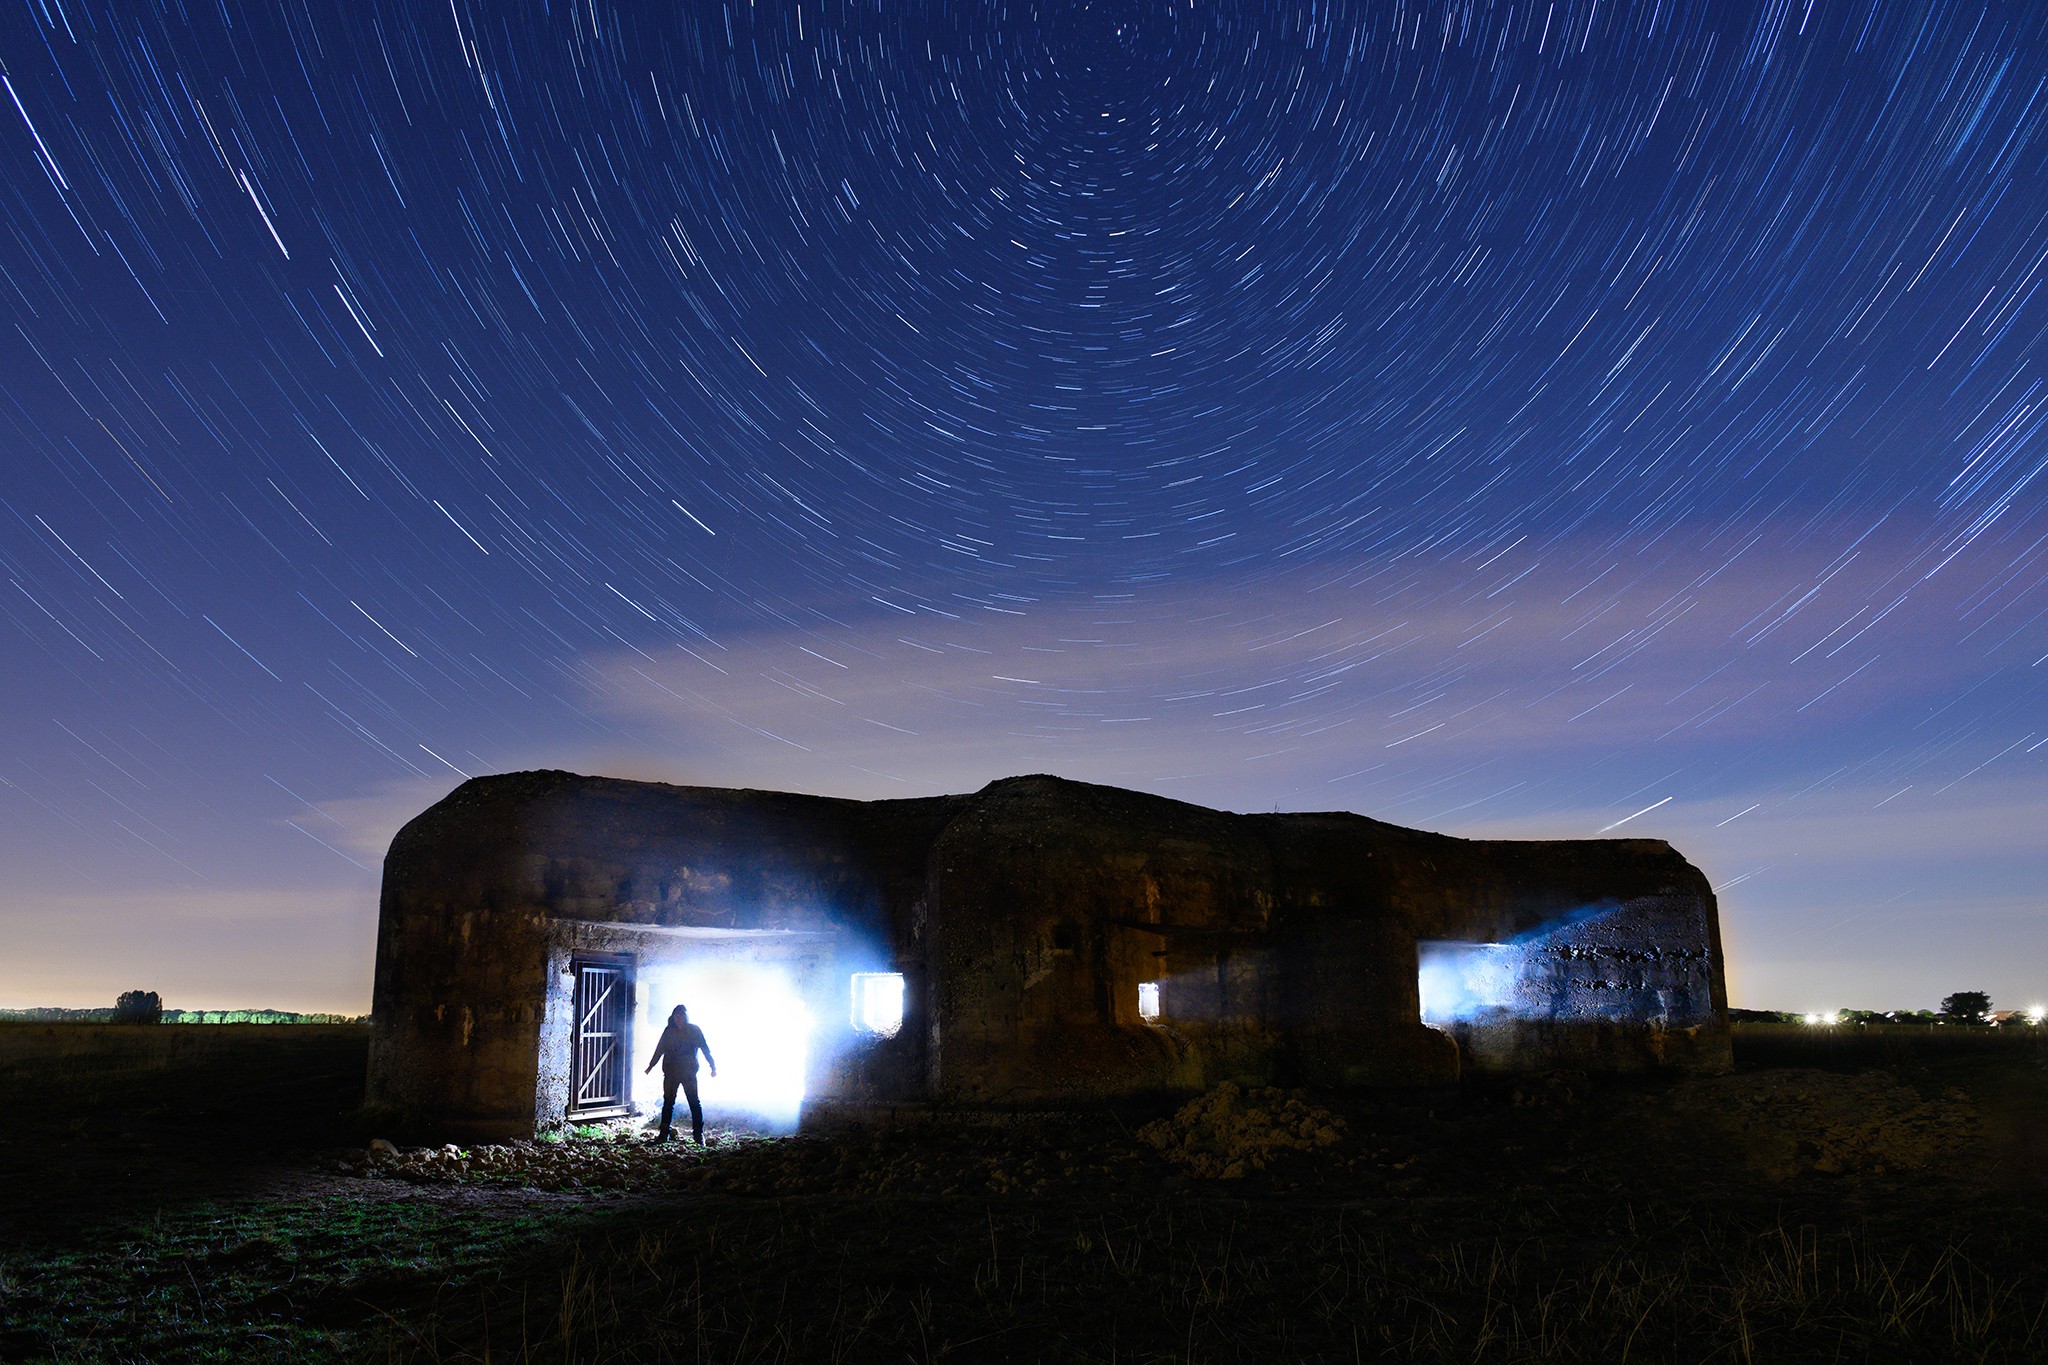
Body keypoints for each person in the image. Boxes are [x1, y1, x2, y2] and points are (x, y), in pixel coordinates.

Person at [644, 1003, 716, 1143]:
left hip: (688, 1073)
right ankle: (664, 1134)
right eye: (676, 1016)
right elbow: (660, 1049)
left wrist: (712, 1065)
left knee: (694, 1102)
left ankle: (698, 1135)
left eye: (681, 1015)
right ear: (673, 1017)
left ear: (686, 1016)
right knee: (668, 1103)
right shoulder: (669, 1031)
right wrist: (651, 1066)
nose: (679, 1018)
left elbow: (705, 1048)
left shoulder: (694, 1030)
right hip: (671, 1072)